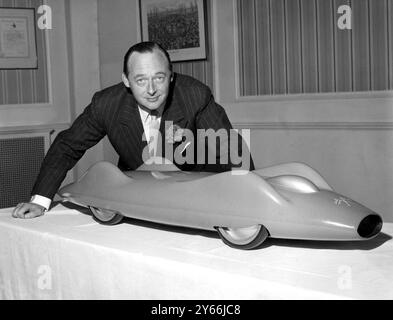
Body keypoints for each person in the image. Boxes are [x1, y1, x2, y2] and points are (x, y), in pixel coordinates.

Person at [12, 41, 254, 219]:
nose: (151, 90)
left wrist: (250, 201)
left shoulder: (194, 95)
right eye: (140, 80)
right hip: (136, 193)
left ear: (171, 76)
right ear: (126, 80)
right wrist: (41, 200)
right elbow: (67, 146)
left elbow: (230, 147)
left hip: (192, 192)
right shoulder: (106, 104)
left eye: (158, 78)